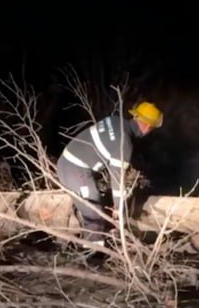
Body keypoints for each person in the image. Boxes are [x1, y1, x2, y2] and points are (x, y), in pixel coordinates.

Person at [56, 101, 163, 248]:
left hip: (69, 161)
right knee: (94, 215)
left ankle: (84, 243)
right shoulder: (124, 144)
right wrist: (119, 209)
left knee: (95, 203)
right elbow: (117, 178)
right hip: (75, 169)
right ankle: (93, 256)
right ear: (148, 126)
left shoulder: (115, 120)